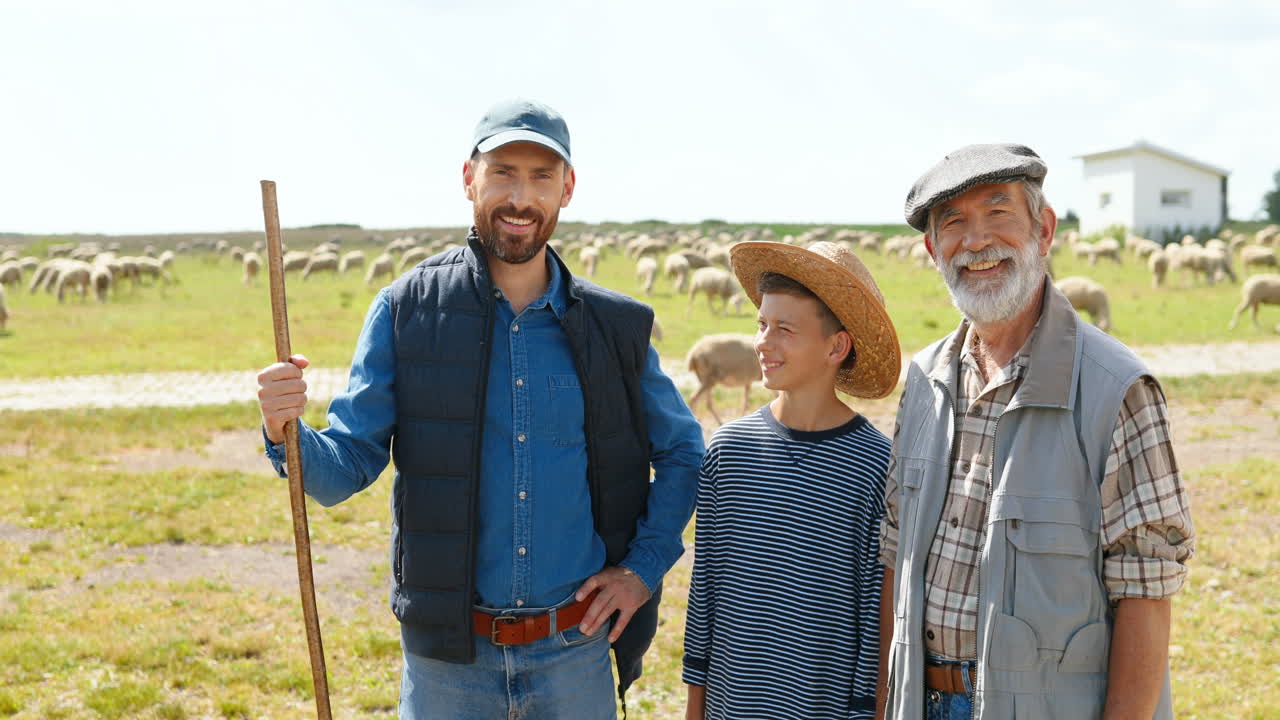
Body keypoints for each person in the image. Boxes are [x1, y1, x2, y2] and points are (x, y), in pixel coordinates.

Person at [255, 98, 705, 719]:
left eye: (541, 177)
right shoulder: (406, 311)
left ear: (567, 189)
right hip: (448, 666)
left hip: (573, 653)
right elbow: (346, 465)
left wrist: (642, 568)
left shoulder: (616, 329)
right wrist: (289, 433)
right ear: (468, 178)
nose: (520, 197)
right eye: (502, 173)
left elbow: (685, 452)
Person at [877, 144, 1196, 720]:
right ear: (932, 249)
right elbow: (896, 553)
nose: (976, 241)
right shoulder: (923, 380)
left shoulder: (1115, 389)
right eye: (953, 223)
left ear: (1043, 230)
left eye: (998, 214)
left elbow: (1146, 588)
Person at [683, 240, 902, 719]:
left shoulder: (875, 467)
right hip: (730, 704)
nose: (762, 342)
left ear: (836, 346)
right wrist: (695, 706)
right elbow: (707, 590)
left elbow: (875, 614)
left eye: (784, 329)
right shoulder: (728, 450)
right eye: (762, 325)